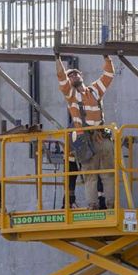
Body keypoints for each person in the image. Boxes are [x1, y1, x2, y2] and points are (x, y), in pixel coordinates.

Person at [55, 54, 116, 209]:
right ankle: (93, 205)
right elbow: (61, 77)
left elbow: (108, 75)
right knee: (90, 177)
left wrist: (107, 57)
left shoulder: (95, 90)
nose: (73, 76)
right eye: (71, 75)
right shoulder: (71, 95)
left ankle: (111, 204)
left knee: (108, 174)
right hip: (86, 142)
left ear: (82, 76)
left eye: (75, 73)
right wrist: (58, 59)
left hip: (102, 138)